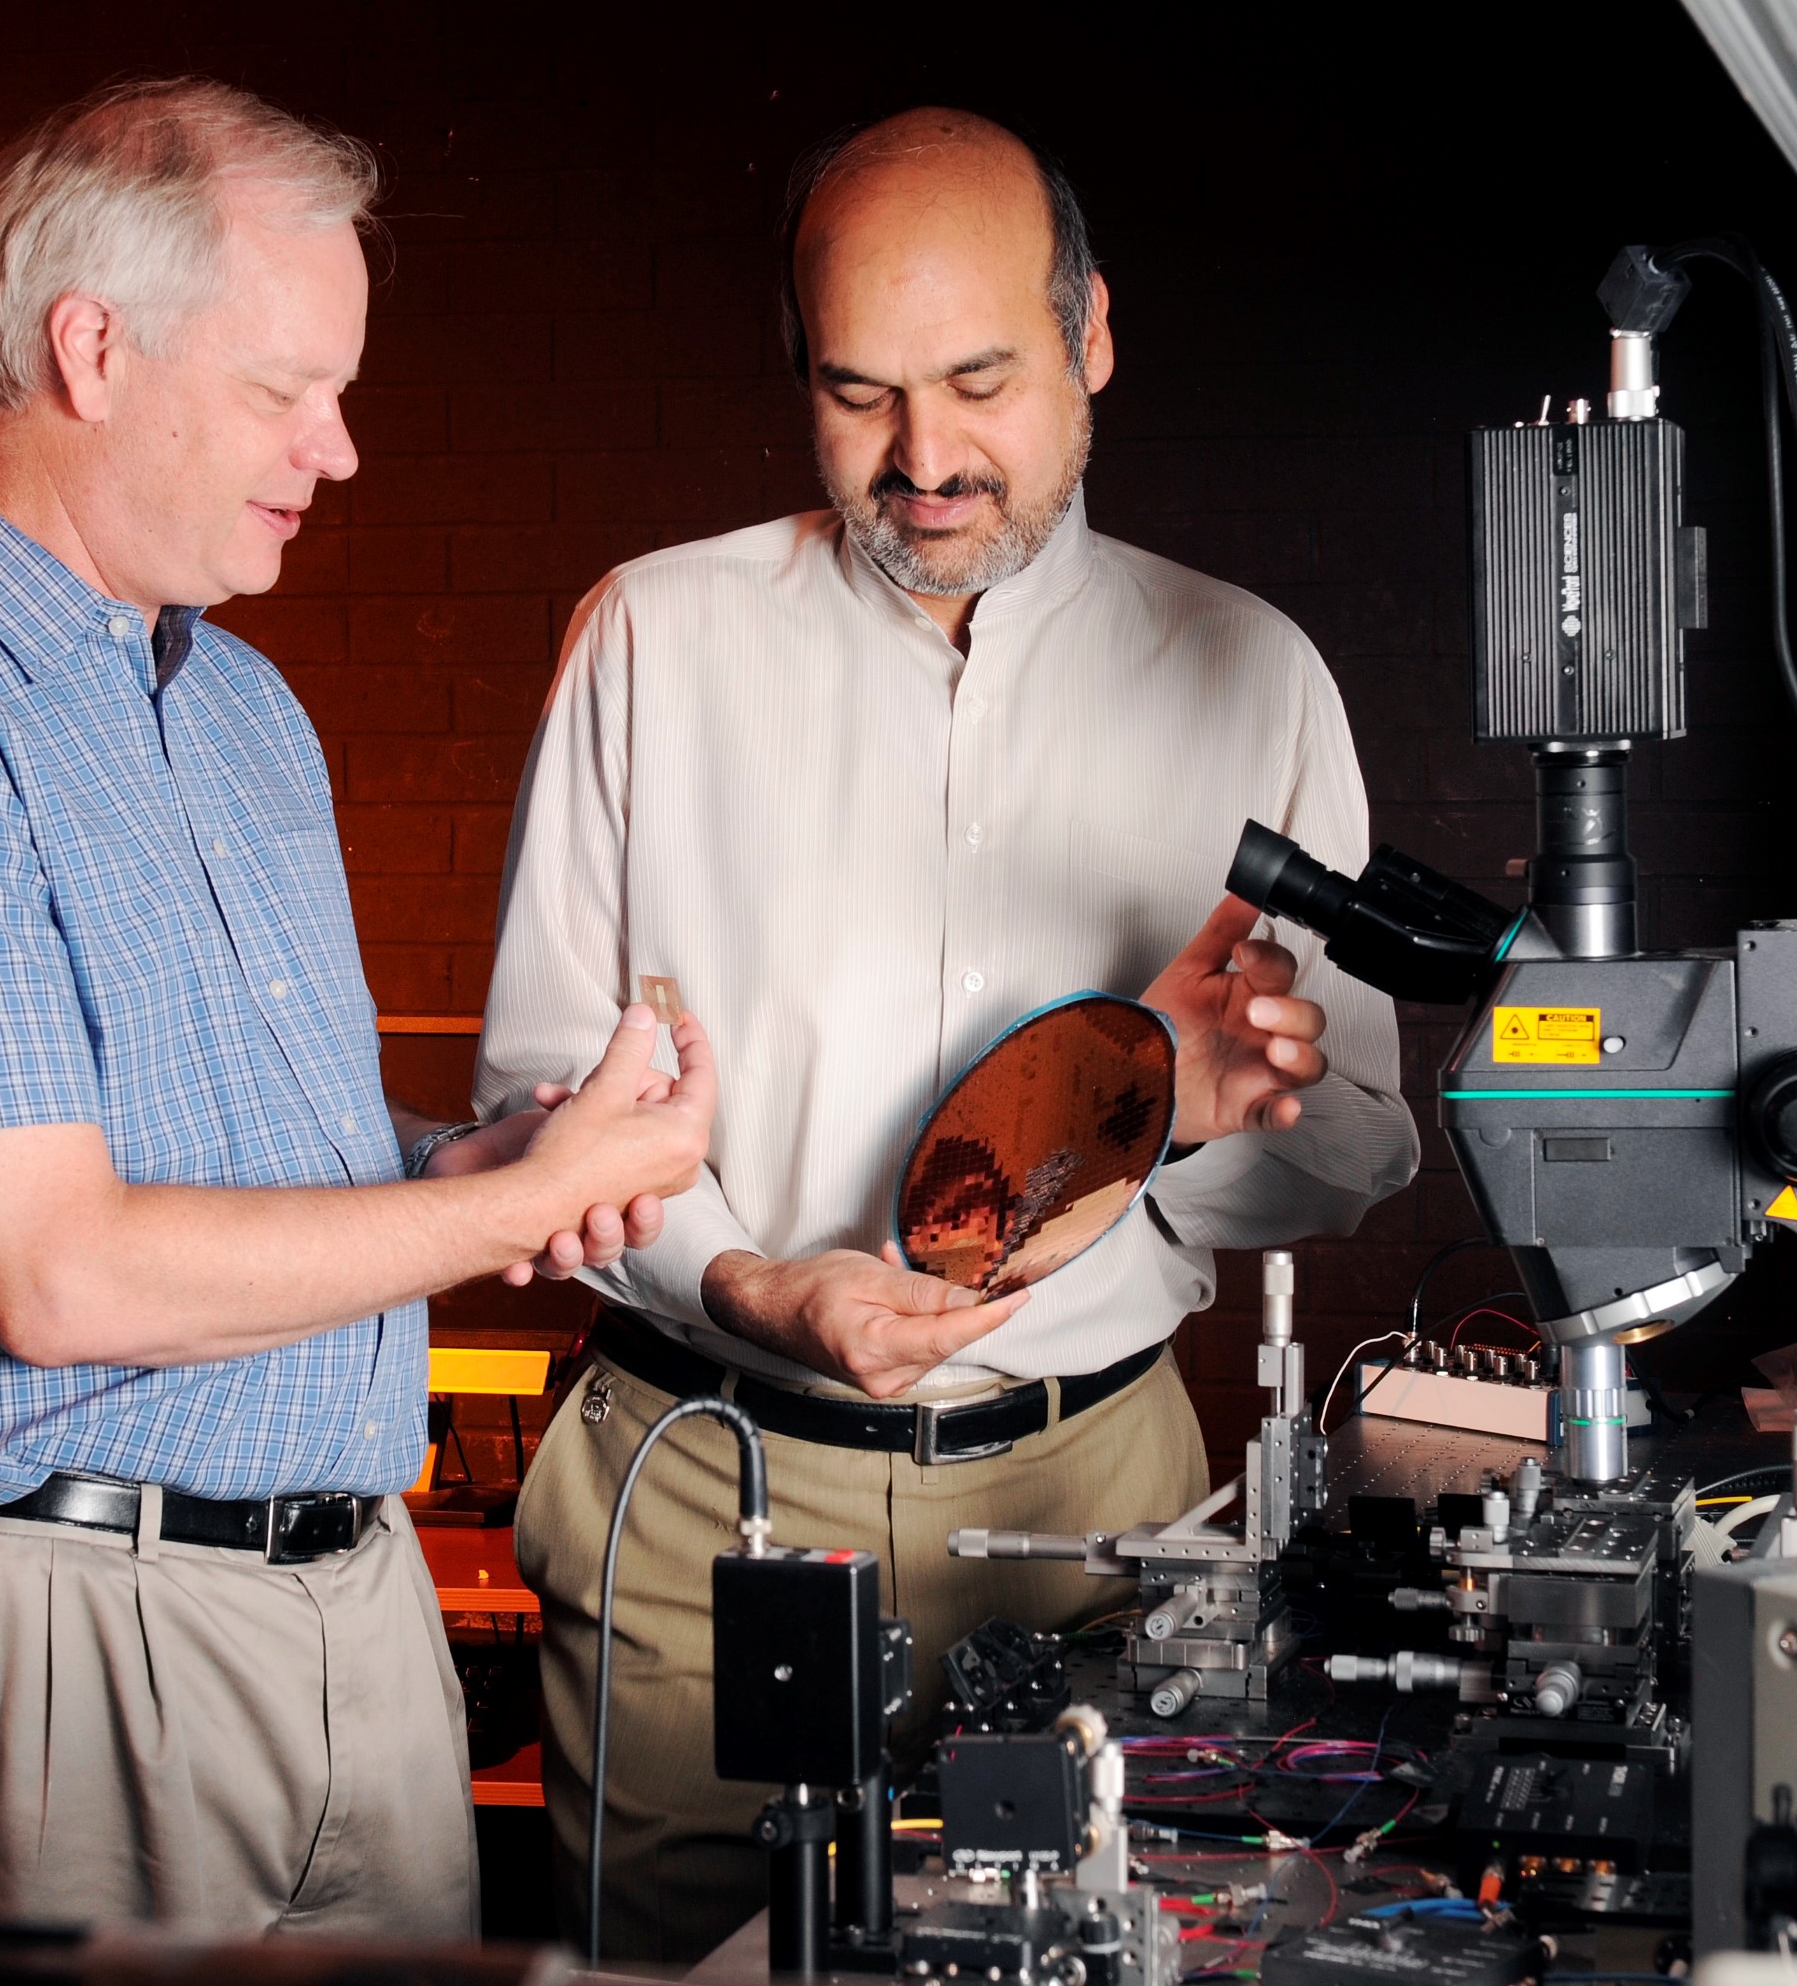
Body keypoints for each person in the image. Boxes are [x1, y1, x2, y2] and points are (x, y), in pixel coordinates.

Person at [0, 77, 717, 1944]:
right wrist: (491, 1217)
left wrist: (490, 1158)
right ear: (91, 348)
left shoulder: (243, 707)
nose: (338, 450)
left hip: (354, 1614)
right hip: (53, 1650)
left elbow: (262, 1164)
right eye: (286, 389)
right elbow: (58, 1271)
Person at [476, 107, 1418, 1958]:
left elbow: (1366, 1142)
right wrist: (751, 1279)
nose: (922, 459)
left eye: (980, 379)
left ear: (1092, 339)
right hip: (707, 1507)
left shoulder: (1252, 670)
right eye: (858, 394)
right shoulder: (652, 641)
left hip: (1097, 1513)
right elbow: (531, 1104)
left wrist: (1196, 1119)